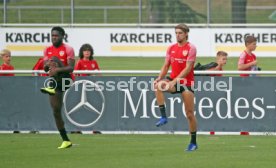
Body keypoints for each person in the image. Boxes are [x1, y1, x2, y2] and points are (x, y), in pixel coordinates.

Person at [154, 24, 197, 151]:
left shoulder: (191, 48)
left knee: (189, 114)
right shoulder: (171, 48)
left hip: (186, 83)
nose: (178, 35)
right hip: (173, 80)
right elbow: (166, 65)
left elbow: (188, 68)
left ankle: (193, 142)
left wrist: (176, 81)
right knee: (158, 85)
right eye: (176, 33)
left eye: (180, 33)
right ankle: (163, 117)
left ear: (186, 34)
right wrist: (159, 77)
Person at [40, 26, 75, 149]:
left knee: (54, 59)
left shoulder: (68, 49)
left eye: (56, 35)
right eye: (52, 35)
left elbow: (71, 68)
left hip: (66, 80)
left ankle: (52, 86)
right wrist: (47, 65)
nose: (54, 37)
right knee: (56, 111)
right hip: (55, 81)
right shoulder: (47, 49)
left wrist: (56, 69)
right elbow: (44, 68)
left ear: (62, 36)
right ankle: (66, 140)